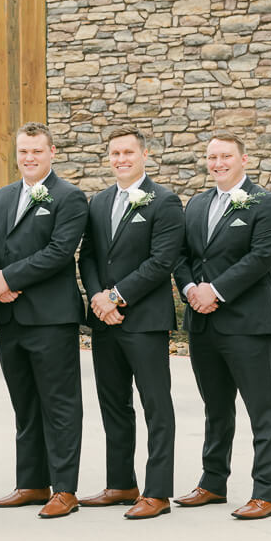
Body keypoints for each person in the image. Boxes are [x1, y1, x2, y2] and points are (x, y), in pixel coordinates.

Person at [174, 131, 271, 519]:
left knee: (261, 410)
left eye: (225, 156)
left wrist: (216, 291)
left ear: (244, 159)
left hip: (246, 324)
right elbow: (182, 255)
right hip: (202, 324)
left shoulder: (266, 203)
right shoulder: (197, 204)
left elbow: (260, 258)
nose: (217, 163)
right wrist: (190, 288)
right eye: (212, 157)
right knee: (216, 408)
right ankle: (212, 483)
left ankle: (267, 493)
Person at [78, 127, 184, 519]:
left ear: (144, 156)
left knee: (156, 405)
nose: (121, 159)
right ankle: (121, 483)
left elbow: (162, 261)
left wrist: (117, 297)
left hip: (144, 320)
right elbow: (87, 256)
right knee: (114, 404)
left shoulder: (165, 201)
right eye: (114, 153)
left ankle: (157, 492)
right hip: (106, 322)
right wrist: (97, 299)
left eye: (128, 152)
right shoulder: (99, 201)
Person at [0, 121, 87, 519]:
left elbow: (60, 251)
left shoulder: (70, 197)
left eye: (36, 151)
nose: (29, 158)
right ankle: (31, 483)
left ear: (52, 152)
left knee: (60, 404)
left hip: (50, 317)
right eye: (23, 151)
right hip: (9, 315)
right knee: (24, 403)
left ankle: (65, 488)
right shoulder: (2, 196)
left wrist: (11, 278)